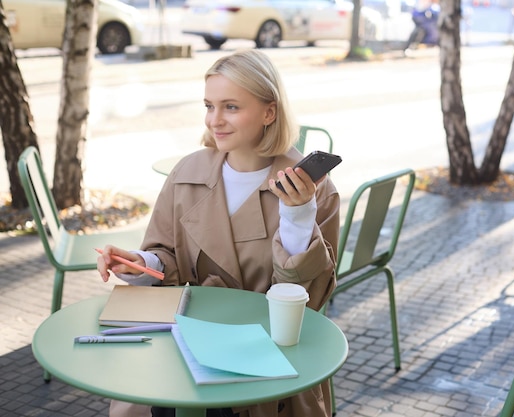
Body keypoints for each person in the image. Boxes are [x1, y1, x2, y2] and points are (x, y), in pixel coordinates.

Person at [97, 49, 340, 417]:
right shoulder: (187, 172)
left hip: (267, 357)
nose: (215, 120)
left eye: (231, 107)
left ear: (268, 112)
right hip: (186, 341)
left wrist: (297, 212)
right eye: (209, 106)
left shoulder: (311, 188)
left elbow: (308, 296)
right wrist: (141, 263)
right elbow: (167, 255)